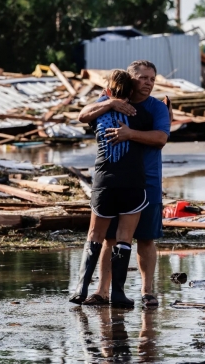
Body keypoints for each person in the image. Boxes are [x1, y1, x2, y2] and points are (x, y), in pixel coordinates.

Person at [77, 60, 171, 307]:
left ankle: (147, 291)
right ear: (131, 80)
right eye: (142, 78)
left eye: (152, 78)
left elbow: (161, 138)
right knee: (109, 238)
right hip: (114, 181)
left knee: (146, 238)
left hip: (147, 181)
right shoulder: (109, 101)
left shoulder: (156, 108)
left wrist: (130, 135)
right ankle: (102, 291)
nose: (148, 83)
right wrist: (110, 102)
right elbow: (83, 115)